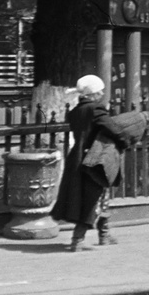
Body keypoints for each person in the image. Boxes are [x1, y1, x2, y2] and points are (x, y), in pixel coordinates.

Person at [51, 75, 130, 251]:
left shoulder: (75, 112)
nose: (102, 93)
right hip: (95, 158)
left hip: (77, 158)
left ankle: (104, 234)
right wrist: (125, 141)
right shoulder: (96, 109)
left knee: (99, 195)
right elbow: (114, 129)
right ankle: (77, 239)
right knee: (93, 197)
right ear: (91, 94)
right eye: (98, 91)